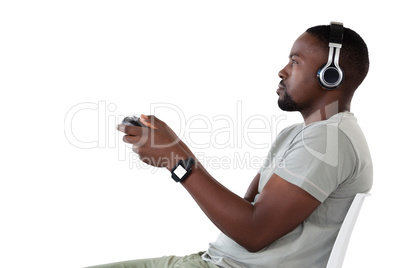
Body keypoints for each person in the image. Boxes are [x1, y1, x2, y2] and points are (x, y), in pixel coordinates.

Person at [88, 23, 373, 268]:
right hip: (214, 259)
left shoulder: (329, 140)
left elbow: (253, 233)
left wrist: (178, 161)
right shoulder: (298, 134)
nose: (282, 71)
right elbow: (246, 210)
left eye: (295, 62)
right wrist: (175, 152)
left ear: (330, 75)